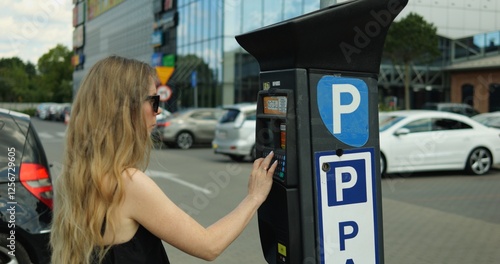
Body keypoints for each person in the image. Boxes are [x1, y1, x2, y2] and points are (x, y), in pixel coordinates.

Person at [50, 55, 277, 264]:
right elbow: (210, 246)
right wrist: (254, 197)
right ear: (126, 109)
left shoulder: (75, 175)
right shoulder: (127, 184)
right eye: (154, 101)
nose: (158, 111)